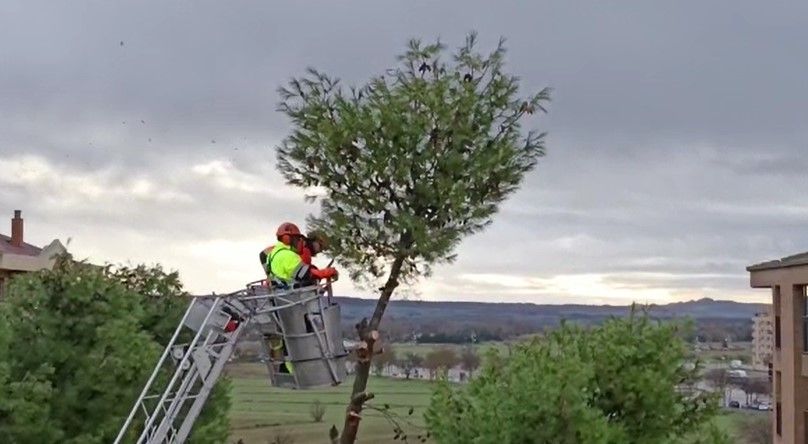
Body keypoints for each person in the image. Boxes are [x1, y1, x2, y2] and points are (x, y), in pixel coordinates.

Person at [265, 222, 337, 288]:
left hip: (281, 294)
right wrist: (327, 272)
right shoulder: (288, 255)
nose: (298, 241)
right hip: (293, 296)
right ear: (288, 238)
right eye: (296, 238)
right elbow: (305, 274)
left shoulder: (272, 253)